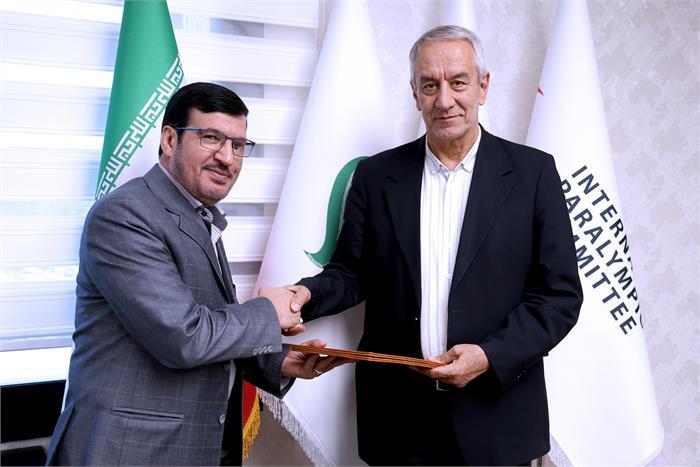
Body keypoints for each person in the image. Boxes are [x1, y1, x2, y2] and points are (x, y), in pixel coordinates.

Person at [281, 26, 584, 465]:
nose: (444, 100)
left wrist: (489, 355)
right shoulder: (375, 176)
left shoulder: (533, 174)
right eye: (429, 85)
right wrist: (303, 294)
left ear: (483, 86)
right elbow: (351, 273)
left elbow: (559, 296)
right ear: (414, 92)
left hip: (498, 419)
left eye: (458, 82)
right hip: (399, 424)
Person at [46, 82, 342, 466]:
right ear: (170, 140)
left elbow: (209, 325)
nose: (227, 158)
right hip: (128, 452)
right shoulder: (124, 215)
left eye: (238, 145)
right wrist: (270, 312)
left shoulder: (199, 215)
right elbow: (182, 337)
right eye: (211, 138)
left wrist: (276, 361)